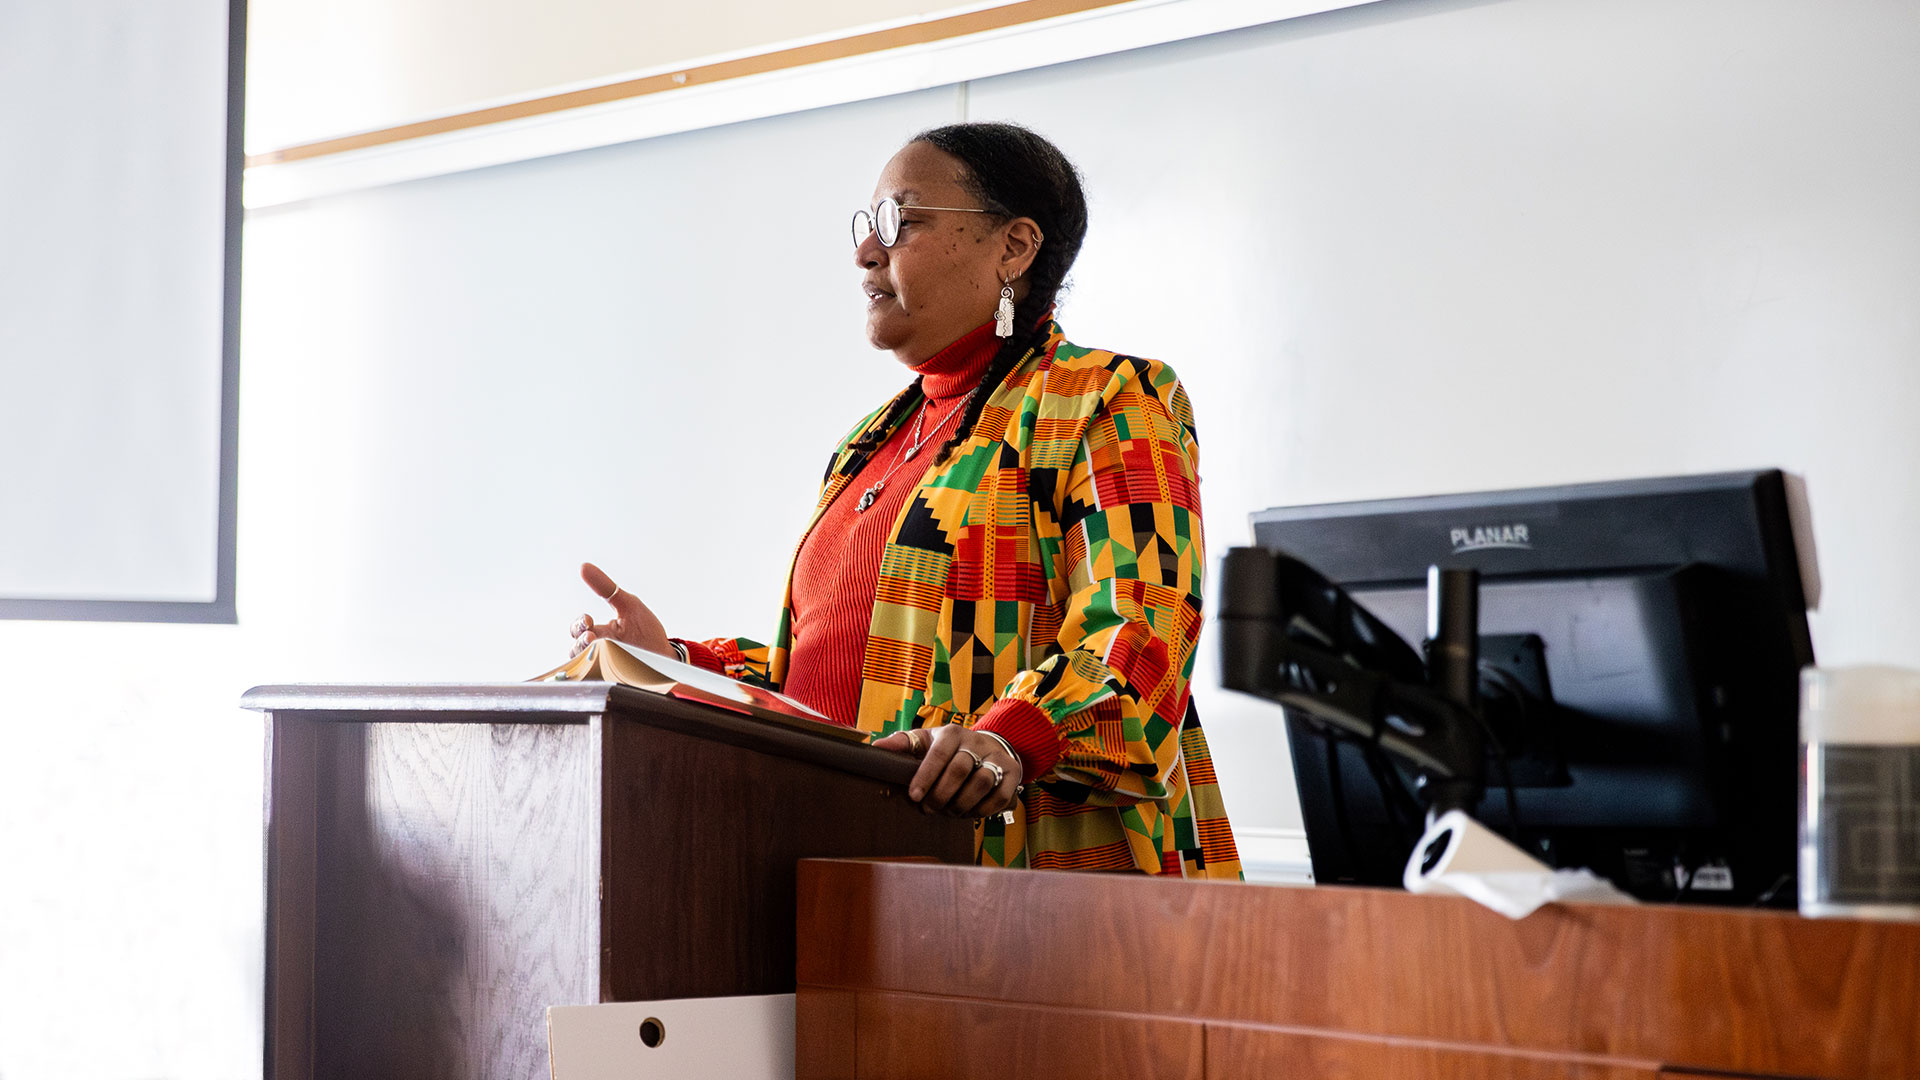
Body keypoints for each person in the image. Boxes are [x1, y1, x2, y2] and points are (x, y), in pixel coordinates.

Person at [569, 122, 1239, 878]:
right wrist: (676, 666)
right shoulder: (872, 440)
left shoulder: (1105, 398)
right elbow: (835, 693)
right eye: (867, 227)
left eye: (901, 222)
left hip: (1033, 896)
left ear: (1014, 247)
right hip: (844, 875)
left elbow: (1141, 635)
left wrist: (1008, 739)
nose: (866, 252)